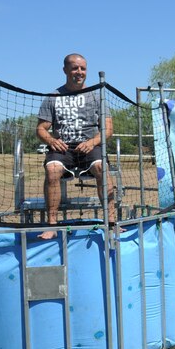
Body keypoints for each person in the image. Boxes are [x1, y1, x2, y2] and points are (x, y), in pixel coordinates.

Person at [36, 53, 115, 239]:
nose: (79, 72)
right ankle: (51, 225)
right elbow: (40, 129)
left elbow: (108, 128)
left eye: (83, 68)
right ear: (65, 70)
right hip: (63, 149)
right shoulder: (53, 97)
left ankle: (111, 222)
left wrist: (92, 142)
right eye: (75, 68)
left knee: (101, 167)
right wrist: (51, 141)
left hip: (90, 146)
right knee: (52, 170)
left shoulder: (96, 97)